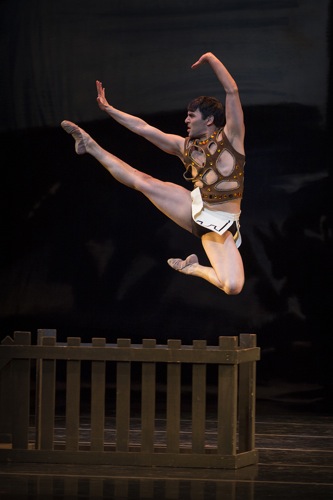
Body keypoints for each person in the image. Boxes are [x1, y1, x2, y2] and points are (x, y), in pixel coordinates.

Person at [61, 52, 246, 295]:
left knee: (232, 286)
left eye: (191, 115)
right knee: (143, 182)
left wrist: (211, 59)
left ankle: (194, 268)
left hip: (222, 224)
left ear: (210, 119)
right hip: (197, 209)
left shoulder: (232, 138)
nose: (186, 120)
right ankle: (90, 145)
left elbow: (232, 90)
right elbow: (143, 128)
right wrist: (109, 109)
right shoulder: (184, 146)